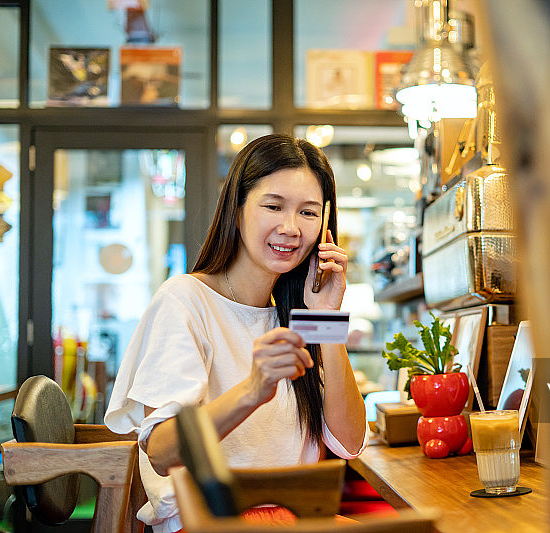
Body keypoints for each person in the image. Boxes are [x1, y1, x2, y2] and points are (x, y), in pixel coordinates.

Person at [105, 133, 368, 533]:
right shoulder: (186, 300)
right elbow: (160, 452)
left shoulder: (298, 315)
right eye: (273, 206)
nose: (291, 228)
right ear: (238, 207)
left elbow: (349, 443)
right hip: (208, 521)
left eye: (309, 213)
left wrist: (328, 318)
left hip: (290, 518)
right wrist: (252, 389)